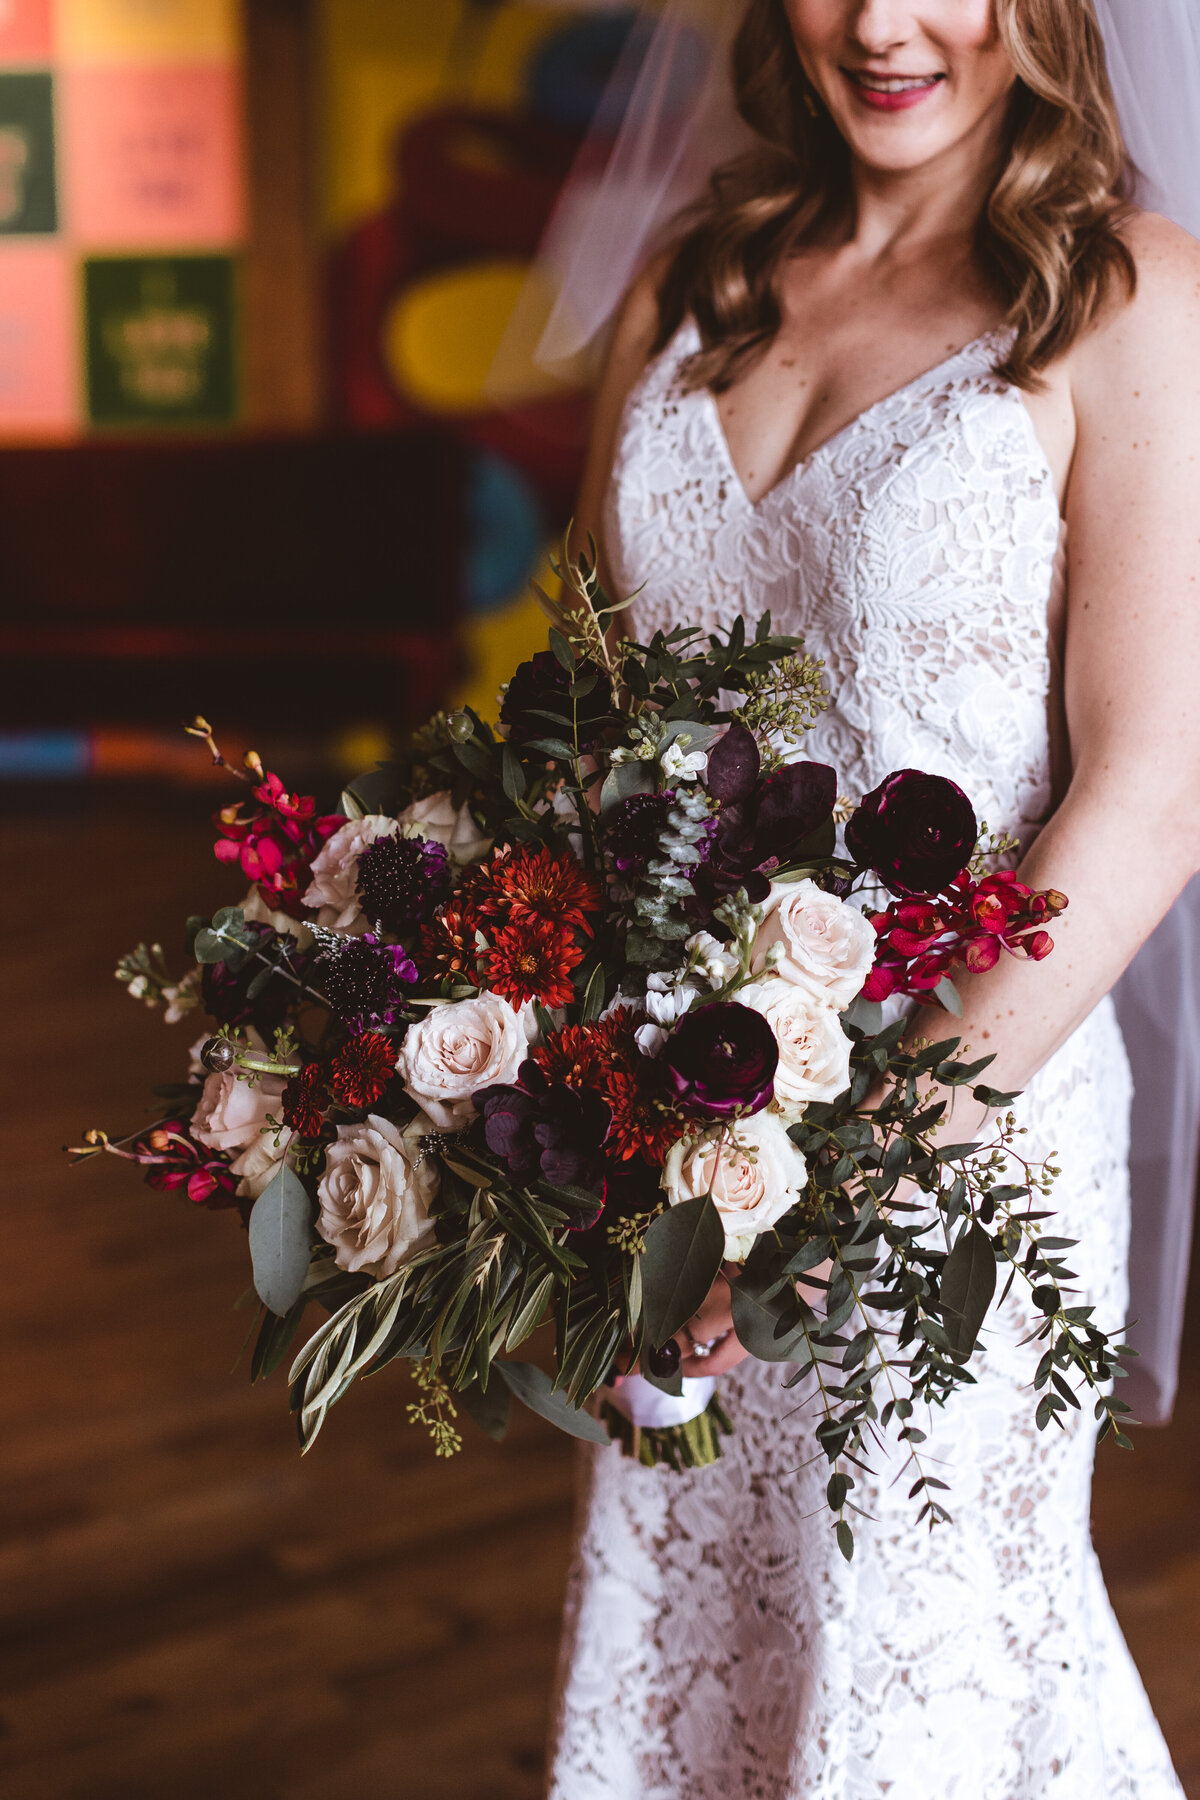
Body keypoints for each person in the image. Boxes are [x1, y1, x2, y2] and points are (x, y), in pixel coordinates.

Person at [545, 2, 1200, 1794]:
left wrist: (842, 1181)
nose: (882, 21)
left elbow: (1152, 796)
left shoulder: (1129, 294)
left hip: (965, 1141)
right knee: (693, 1621)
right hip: (683, 1131)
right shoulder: (699, 275)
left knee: (928, 1646)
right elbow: (599, 726)